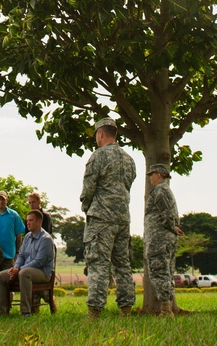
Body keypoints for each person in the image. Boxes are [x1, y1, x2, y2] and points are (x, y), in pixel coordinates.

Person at [80, 117, 137, 319]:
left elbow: (88, 190)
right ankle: (126, 310)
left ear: (101, 134)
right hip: (123, 219)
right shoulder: (129, 159)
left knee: (98, 264)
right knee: (123, 265)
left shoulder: (98, 157)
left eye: (96, 134)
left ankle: (94, 312)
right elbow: (128, 185)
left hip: (101, 219)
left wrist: (86, 207)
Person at [0, 210, 55, 317]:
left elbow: (39, 261)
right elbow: (21, 255)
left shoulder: (46, 239)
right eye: (27, 221)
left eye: (31, 220)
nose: (28, 223)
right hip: (23, 269)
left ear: (39, 221)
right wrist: (16, 267)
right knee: (0, 276)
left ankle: (25, 311)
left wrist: (19, 269)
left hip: (42, 272)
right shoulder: (27, 237)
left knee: (24, 273)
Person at [144, 164, 184, 317]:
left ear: (159, 174)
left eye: (151, 174)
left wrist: (173, 228)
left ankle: (166, 311)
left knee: (159, 272)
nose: (150, 177)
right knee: (166, 272)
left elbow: (166, 214)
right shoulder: (166, 191)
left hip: (159, 238)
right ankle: (167, 309)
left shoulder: (160, 191)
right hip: (165, 238)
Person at [0, 190, 25, 273]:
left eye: (3, 199)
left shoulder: (14, 215)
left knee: (6, 280)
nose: (1, 201)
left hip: (8, 256)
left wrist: (18, 252)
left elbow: (18, 235)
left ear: (7, 200)